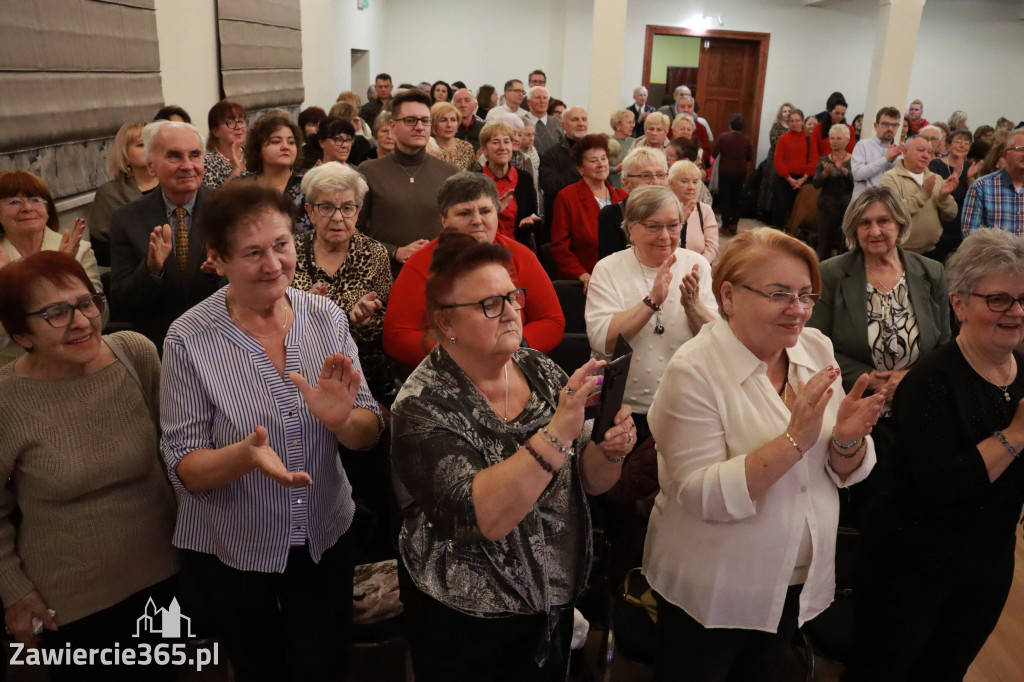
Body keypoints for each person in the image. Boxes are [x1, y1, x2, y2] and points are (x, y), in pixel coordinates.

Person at [160, 182, 383, 680]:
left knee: (323, 664)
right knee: (260, 667)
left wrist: (342, 420)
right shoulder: (189, 338)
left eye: (281, 245)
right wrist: (243, 456)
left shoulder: (324, 317)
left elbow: (367, 431)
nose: (273, 264)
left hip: (325, 531)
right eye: (253, 253)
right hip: (236, 542)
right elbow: (184, 467)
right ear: (216, 259)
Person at [391, 229, 634, 681]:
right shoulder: (423, 405)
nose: (509, 313)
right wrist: (560, 430)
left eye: (512, 297)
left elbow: (590, 481)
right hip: (467, 616)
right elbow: (483, 518)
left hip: (550, 597)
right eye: (489, 304)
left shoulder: (537, 368)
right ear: (447, 324)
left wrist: (610, 450)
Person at [645, 227, 884, 681]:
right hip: (714, 586)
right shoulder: (694, 371)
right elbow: (700, 496)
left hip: (792, 578)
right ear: (729, 296)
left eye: (805, 295)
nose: (797, 311)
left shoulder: (814, 348)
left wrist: (847, 440)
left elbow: (836, 469)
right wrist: (794, 441)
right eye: (779, 294)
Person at [853, 228, 1024, 681]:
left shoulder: (1022, 371)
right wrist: (1016, 435)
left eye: (1023, 299)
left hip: (988, 561)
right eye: (999, 300)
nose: (1016, 312)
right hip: (911, 564)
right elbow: (944, 483)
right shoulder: (931, 380)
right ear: (959, 304)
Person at [0, 251, 178, 680]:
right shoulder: (6, 398)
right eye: (56, 313)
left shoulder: (135, 355)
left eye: (86, 303)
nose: (81, 321)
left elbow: (172, 453)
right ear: (22, 333)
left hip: (165, 578)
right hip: (70, 603)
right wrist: (14, 591)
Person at [586, 184, 717, 580]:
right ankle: (619, 579)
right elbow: (603, 339)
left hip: (683, 406)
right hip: (627, 409)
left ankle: (669, 577)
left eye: (674, 226)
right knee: (623, 504)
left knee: (677, 501)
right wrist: (651, 303)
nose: (665, 237)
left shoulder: (697, 263)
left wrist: (693, 306)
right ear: (630, 228)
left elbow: (717, 338)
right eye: (654, 227)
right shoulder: (610, 268)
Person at [807, 186, 951, 520]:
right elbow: (814, 344)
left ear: (900, 224)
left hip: (918, 409)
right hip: (853, 411)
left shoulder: (931, 273)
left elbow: (945, 343)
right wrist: (871, 380)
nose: (875, 231)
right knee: (859, 505)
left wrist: (913, 378)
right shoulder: (831, 273)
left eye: (883, 221)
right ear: (853, 230)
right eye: (865, 223)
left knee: (915, 505)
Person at [383, 172, 563, 374]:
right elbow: (397, 336)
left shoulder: (521, 256)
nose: (477, 221)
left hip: (513, 368)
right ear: (443, 220)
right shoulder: (420, 264)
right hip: (445, 375)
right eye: (464, 213)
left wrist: (509, 348)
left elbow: (551, 320)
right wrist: (463, 356)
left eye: (485, 211)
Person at [109, 120, 223, 348]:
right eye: (174, 156)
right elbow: (120, 302)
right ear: (151, 166)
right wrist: (151, 271)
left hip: (222, 340)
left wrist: (219, 273)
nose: (188, 165)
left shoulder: (229, 210)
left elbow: (253, 286)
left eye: (195, 155)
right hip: (159, 346)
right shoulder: (127, 219)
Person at [293, 162, 394, 401]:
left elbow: (388, 322)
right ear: (310, 211)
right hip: (302, 375)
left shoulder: (374, 254)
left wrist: (365, 321)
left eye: (347, 208)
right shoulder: (290, 253)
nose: (338, 218)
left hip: (363, 378)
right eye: (327, 207)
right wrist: (302, 312)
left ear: (358, 211)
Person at [0, 170, 102, 366]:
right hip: (9, 368)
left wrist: (62, 271)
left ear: (48, 211)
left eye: (36, 200)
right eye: (14, 202)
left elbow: (100, 317)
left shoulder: (79, 251)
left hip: (74, 360)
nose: (27, 208)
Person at [356, 89, 459, 275]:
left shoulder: (450, 173)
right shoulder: (369, 171)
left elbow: (460, 228)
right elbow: (355, 232)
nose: (419, 127)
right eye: (410, 120)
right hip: (385, 276)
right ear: (393, 126)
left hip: (439, 274)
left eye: (425, 120)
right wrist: (394, 251)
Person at [550, 135, 628, 290]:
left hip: (622, 279)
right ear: (580, 168)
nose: (601, 165)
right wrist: (583, 275)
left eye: (603, 159)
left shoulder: (623, 197)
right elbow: (560, 247)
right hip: (585, 281)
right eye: (593, 161)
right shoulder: (567, 197)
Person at [88, 120, 159, 266]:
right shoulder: (109, 194)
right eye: (141, 144)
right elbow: (101, 252)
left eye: (153, 144)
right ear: (125, 155)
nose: (149, 149)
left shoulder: (174, 185)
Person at [880, 135, 958, 255]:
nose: (926, 155)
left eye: (929, 152)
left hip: (932, 251)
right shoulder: (890, 178)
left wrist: (944, 197)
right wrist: (923, 195)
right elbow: (893, 211)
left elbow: (951, 215)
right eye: (920, 150)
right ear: (905, 152)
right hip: (900, 253)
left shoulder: (936, 178)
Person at [243, 111, 311, 234]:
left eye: (291, 142)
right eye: (276, 141)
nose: (285, 147)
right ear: (258, 149)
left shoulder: (309, 186)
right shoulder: (243, 187)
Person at [598, 146, 670, 259]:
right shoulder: (611, 215)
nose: (656, 182)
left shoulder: (673, 212)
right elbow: (610, 266)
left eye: (660, 175)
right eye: (646, 176)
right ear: (627, 183)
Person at [475, 121, 539, 244]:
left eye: (506, 141)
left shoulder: (525, 178)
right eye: (495, 142)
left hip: (518, 249)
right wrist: (494, 210)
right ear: (484, 149)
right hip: (484, 250)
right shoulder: (474, 180)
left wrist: (529, 223)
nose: (503, 147)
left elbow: (533, 216)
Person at [929, 128, 982, 260]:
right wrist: (956, 174)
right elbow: (935, 192)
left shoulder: (971, 167)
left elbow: (974, 199)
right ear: (948, 145)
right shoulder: (935, 164)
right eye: (958, 141)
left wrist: (970, 178)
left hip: (960, 225)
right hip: (939, 222)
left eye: (966, 142)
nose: (962, 145)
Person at [962, 128, 1024, 236]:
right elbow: (970, 235)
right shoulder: (981, 187)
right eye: (1020, 149)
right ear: (1005, 155)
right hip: (994, 253)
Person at [539, 106, 590, 230]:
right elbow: (549, 187)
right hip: (562, 221)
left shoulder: (595, 150)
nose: (581, 124)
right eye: (575, 120)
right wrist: (578, 170)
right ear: (563, 125)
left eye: (584, 119)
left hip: (589, 217)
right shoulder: (551, 153)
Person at [813, 124, 855, 260]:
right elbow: (816, 183)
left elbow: (855, 182)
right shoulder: (823, 160)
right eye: (832, 139)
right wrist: (825, 173)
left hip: (846, 206)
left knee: (844, 243)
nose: (834, 142)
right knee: (824, 242)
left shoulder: (854, 160)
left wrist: (844, 171)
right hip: (827, 205)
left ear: (847, 140)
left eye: (838, 139)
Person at [667, 160, 719, 263]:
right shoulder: (662, 209)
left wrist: (698, 268)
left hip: (697, 270)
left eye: (695, 182)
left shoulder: (705, 210)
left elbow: (712, 247)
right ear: (671, 183)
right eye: (684, 181)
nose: (691, 187)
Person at [772, 108, 816, 229]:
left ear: (802, 122)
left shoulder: (810, 138)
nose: (794, 123)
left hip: (803, 180)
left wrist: (803, 178)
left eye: (797, 120)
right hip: (784, 179)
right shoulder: (783, 139)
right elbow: (778, 161)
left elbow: (813, 160)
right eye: (791, 121)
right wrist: (789, 179)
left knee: (796, 213)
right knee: (780, 210)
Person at [712, 113, 752, 235]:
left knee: (725, 197)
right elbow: (749, 157)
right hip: (740, 171)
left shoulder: (723, 137)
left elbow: (714, 153)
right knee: (736, 197)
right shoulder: (746, 140)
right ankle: (734, 223)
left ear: (730, 125)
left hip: (725, 170)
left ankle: (724, 225)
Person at [852, 106, 904, 199]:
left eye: (895, 125)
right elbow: (857, 174)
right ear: (876, 126)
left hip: (890, 201)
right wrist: (886, 159)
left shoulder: (901, 149)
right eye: (885, 124)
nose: (890, 129)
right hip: (865, 201)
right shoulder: (863, 145)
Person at [757, 102, 794, 221]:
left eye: (789, 111)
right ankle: (766, 212)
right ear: (781, 113)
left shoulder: (793, 127)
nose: (787, 113)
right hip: (774, 158)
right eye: (784, 111)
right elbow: (774, 141)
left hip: (788, 160)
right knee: (771, 185)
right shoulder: (776, 126)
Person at [202, 99, 247, 189]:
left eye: (241, 121)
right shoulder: (207, 165)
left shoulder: (254, 156)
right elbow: (213, 200)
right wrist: (235, 170)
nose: (238, 127)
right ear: (215, 131)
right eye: (230, 122)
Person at [431, 102, 476, 170]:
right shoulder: (427, 148)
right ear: (433, 123)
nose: (449, 125)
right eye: (443, 120)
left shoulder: (466, 147)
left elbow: (473, 175)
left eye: (453, 120)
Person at [524, 86, 564, 156]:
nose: (542, 101)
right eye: (538, 98)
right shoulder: (520, 122)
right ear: (528, 101)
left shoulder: (557, 122)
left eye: (545, 98)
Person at [297, 106, 327, 170]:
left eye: (321, 125)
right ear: (302, 128)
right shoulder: (299, 152)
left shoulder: (327, 149)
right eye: (312, 125)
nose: (318, 129)